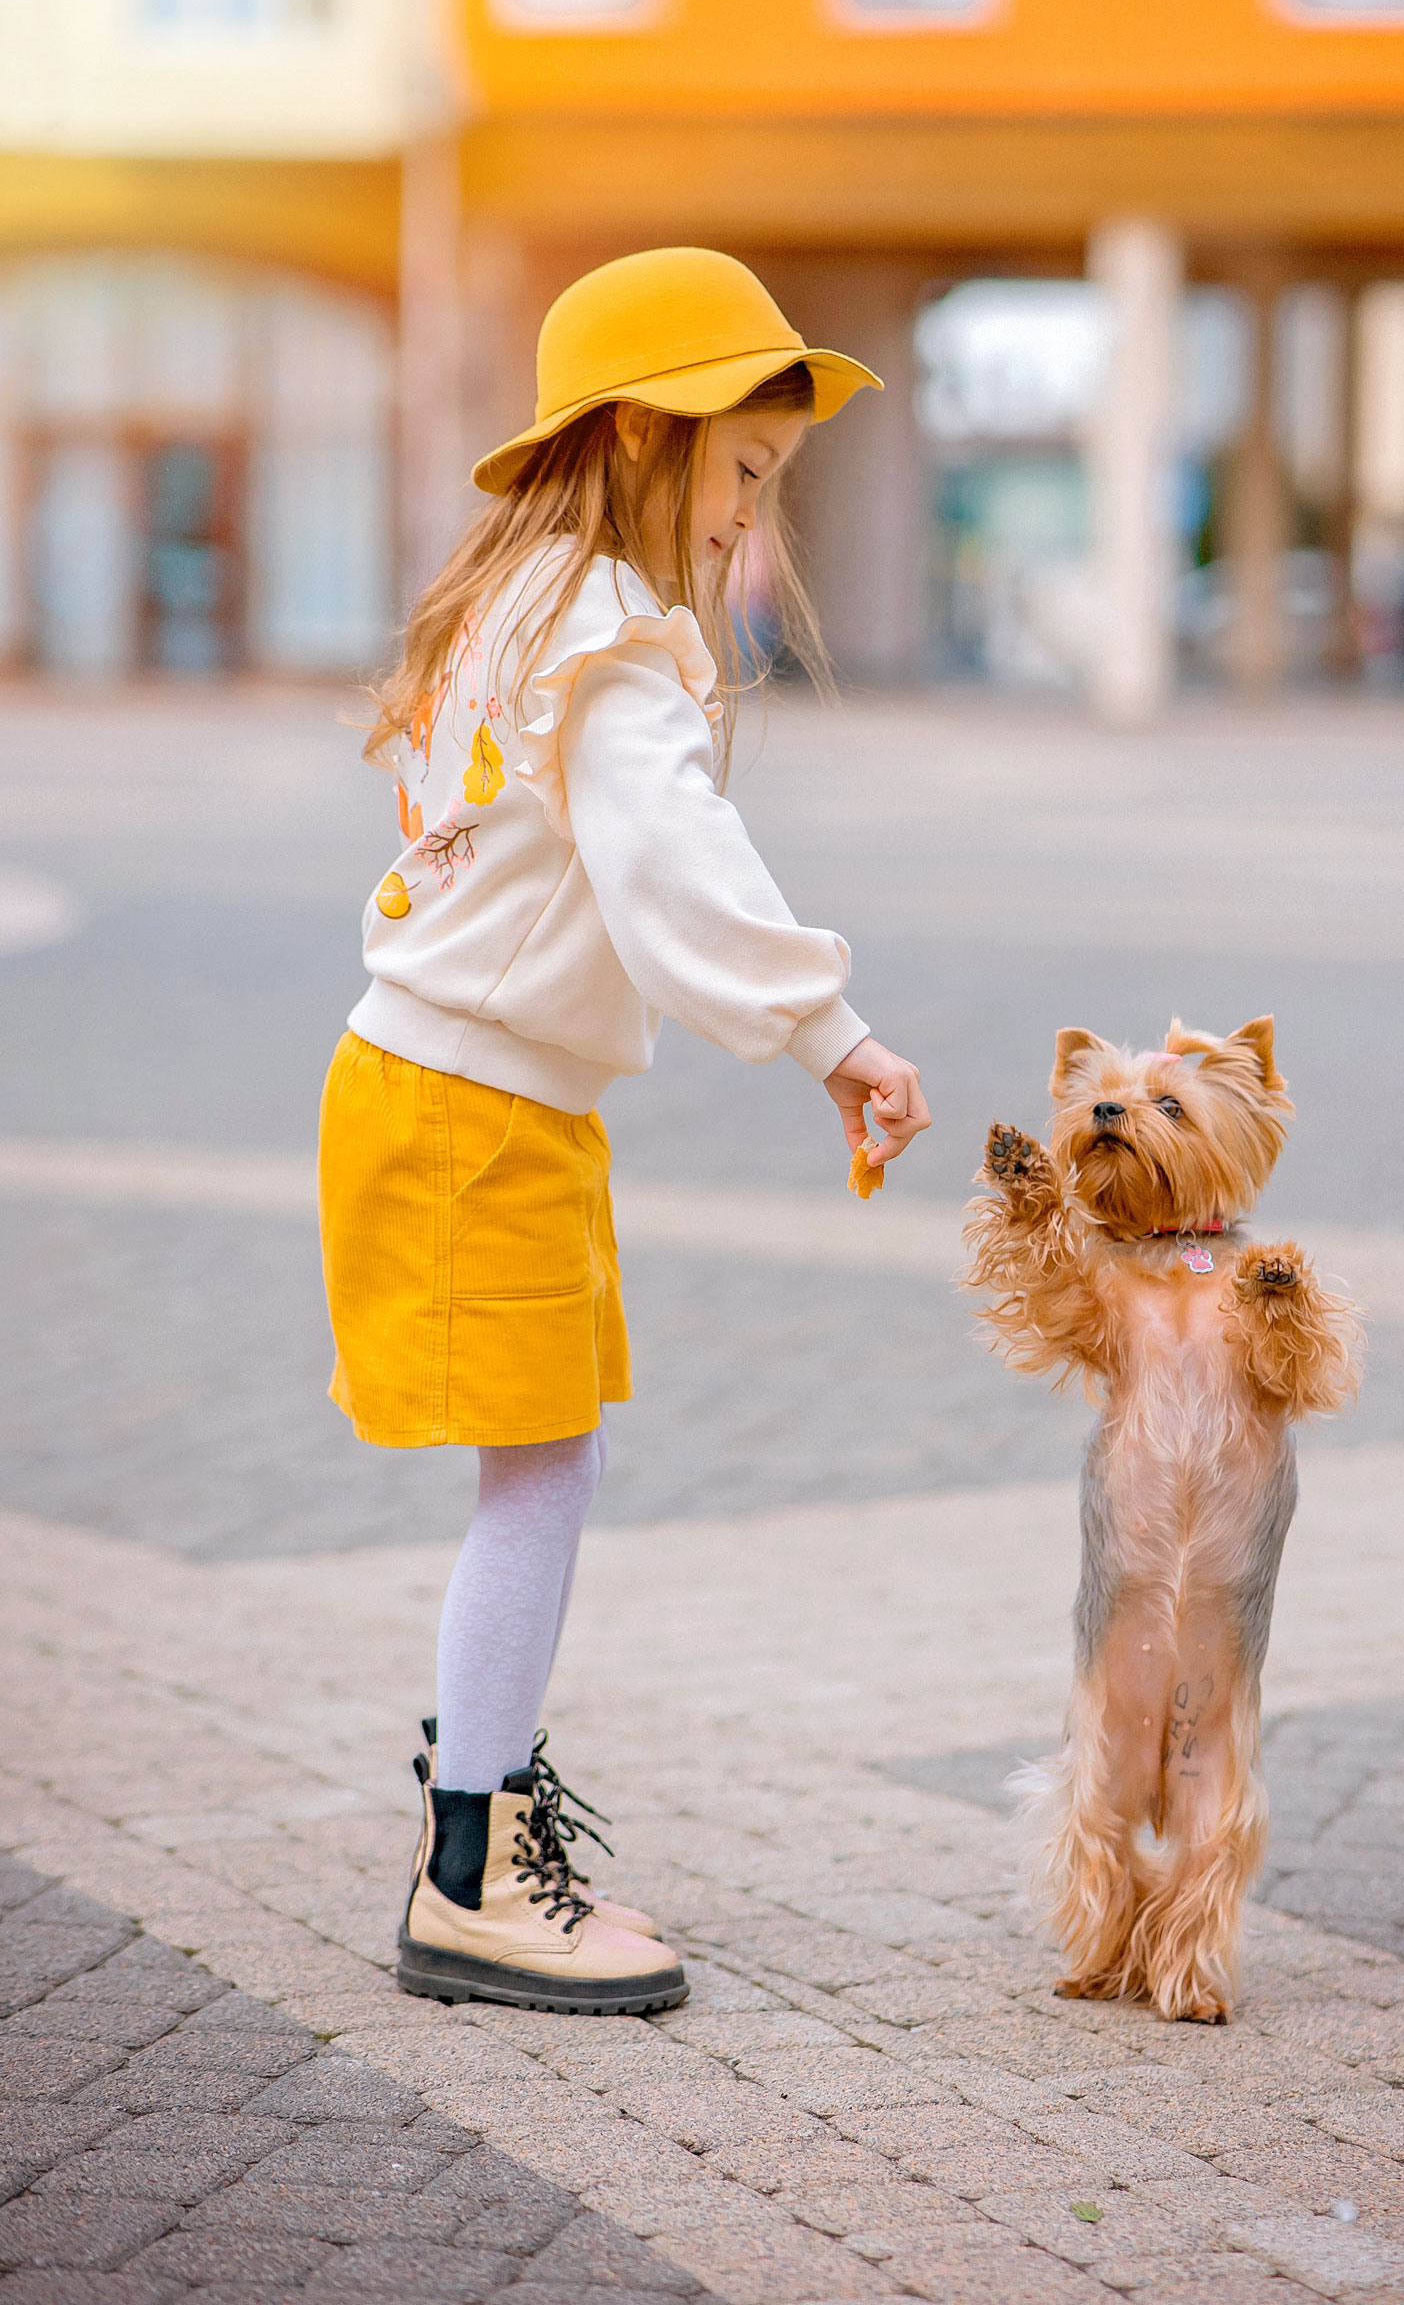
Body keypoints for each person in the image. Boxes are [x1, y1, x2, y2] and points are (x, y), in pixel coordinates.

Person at [318, 248, 932, 2018]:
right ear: (646, 442)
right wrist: (830, 1031)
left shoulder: (522, 609)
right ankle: (473, 1868)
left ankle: (482, 1824)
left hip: (473, 1095)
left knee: (544, 1458)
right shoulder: (603, 642)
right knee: (542, 1472)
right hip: (470, 1108)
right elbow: (674, 864)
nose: (752, 521)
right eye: (741, 472)